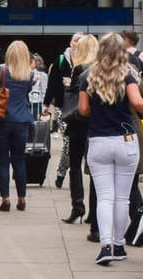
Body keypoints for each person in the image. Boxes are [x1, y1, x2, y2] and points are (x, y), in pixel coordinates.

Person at [79, 33, 143, 263]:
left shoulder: (88, 77)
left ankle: (105, 246)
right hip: (125, 140)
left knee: (104, 196)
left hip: (98, 141)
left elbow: (83, 109)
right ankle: (119, 244)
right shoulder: (128, 76)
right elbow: (136, 102)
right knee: (122, 198)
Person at [0, 41, 39, 212]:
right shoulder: (29, 74)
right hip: (22, 121)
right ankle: (22, 197)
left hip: (1, 119)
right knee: (19, 160)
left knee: (2, 161)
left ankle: (5, 199)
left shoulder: (1, 70)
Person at [61, 34, 98, 227]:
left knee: (75, 165)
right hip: (95, 124)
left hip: (78, 123)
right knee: (94, 170)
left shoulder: (80, 69)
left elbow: (75, 97)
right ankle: (94, 211)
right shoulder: (99, 69)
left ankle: (78, 206)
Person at [45, 33, 83, 188]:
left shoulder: (88, 61)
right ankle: (62, 173)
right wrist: (46, 104)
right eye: (75, 40)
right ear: (70, 42)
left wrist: (72, 83)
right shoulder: (61, 60)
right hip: (64, 107)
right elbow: (52, 83)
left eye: (80, 41)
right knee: (68, 142)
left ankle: (75, 173)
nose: (77, 44)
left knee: (80, 144)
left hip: (82, 107)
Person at [29, 52, 48, 119]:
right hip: (27, 102)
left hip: (36, 103)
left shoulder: (42, 75)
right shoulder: (26, 73)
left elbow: (44, 91)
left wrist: (44, 106)